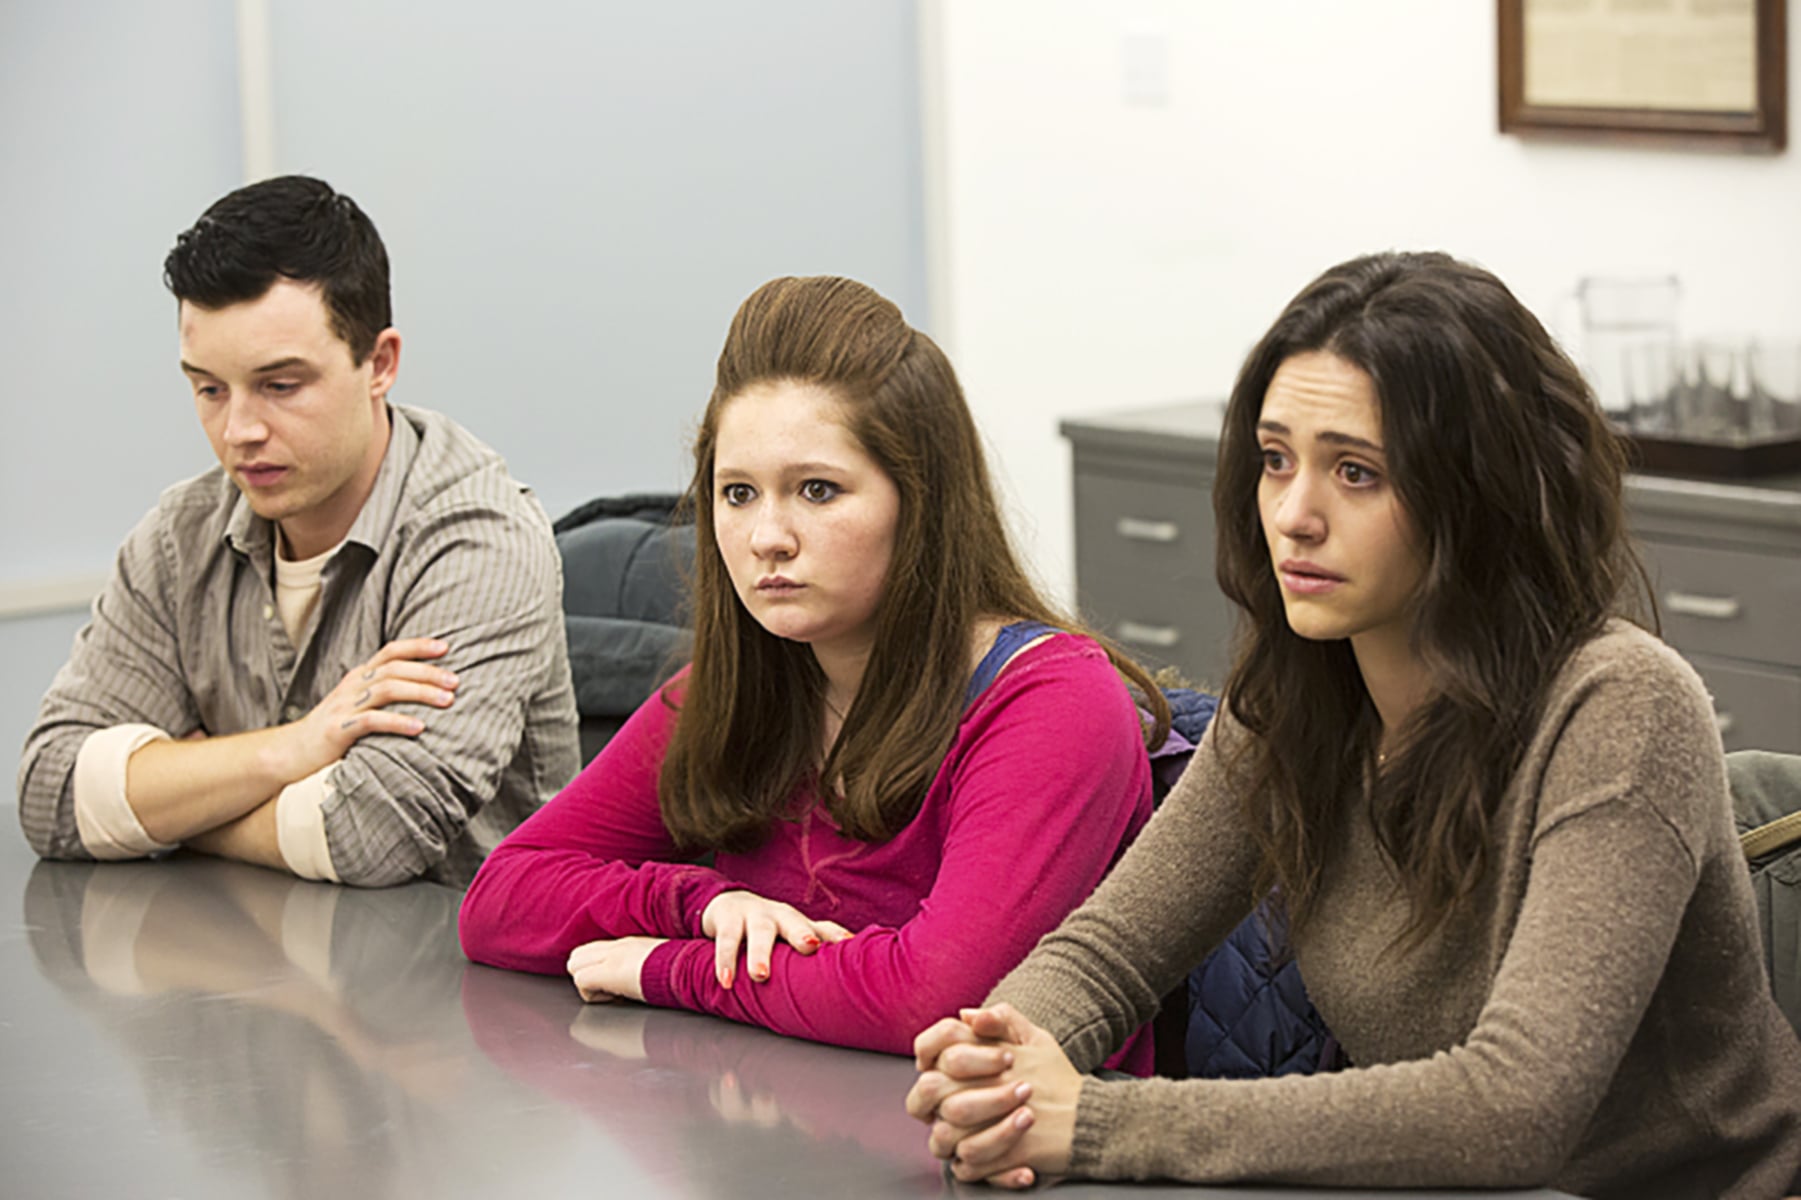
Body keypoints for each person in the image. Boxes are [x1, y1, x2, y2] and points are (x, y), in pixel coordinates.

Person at [906, 251, 1801, 1199]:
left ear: (1478, 493)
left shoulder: (1619, 704)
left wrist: (1092, 1122)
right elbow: (1110, 953)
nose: (1293, 515)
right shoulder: (1295, 705)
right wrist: (997, 1062)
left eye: (1356, 472)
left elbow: (1512, 1110)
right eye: (1274, 459)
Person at [458, 275, 1170, 1060]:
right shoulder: (728, 695)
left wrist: (670, 966)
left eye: (817, 491)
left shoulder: (1052, 699)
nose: (767, 536)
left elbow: (935, 998)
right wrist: (701, 905)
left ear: (921, 503)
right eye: (736, 494)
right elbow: (499, 900)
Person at [17, 175, 580, 888]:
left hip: (454, 981)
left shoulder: (478, 540)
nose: (239, 431)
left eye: (280, 386)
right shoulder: (178, 539)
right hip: (237, 964)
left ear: (379, 364)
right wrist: (286, 753)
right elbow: (49, 792)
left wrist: (171, 801)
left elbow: (371, 835)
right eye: (209, 388)